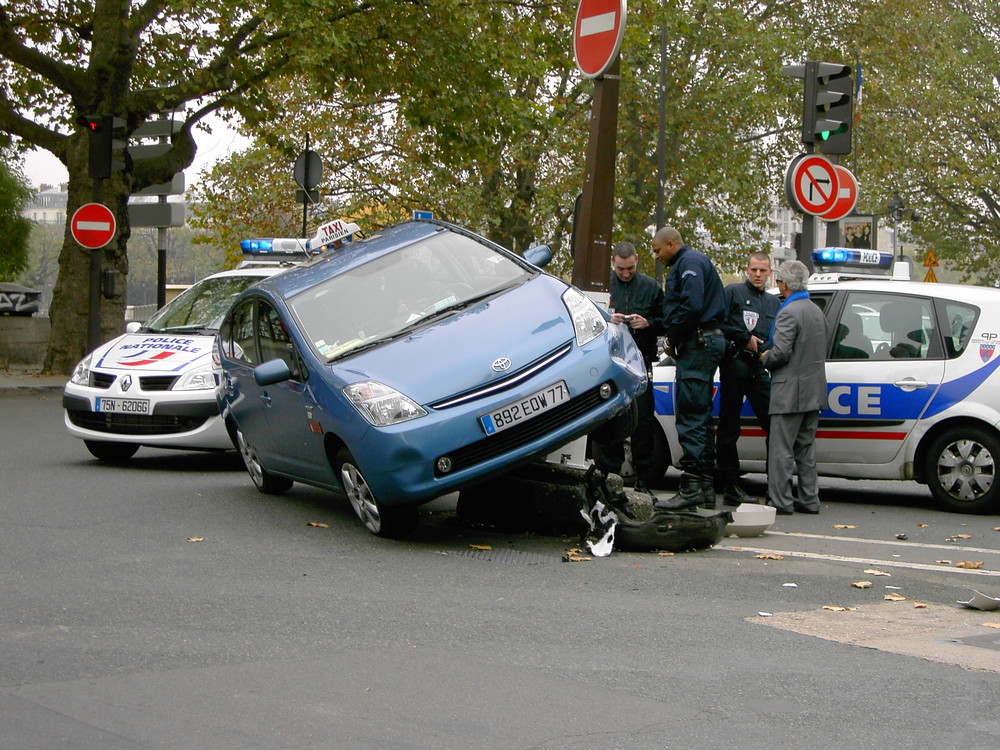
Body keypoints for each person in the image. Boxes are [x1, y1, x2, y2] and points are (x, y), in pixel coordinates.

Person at [651, 226, 727, 511]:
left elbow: (691, 306)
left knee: (691, 414)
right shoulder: (692, 262)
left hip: (697, 343)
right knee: (702, 416)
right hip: (704, 340)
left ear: (672, 244)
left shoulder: (689, 264)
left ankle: (692, 486)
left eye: (658, 250)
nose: (656, 256)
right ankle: (705, 487)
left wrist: (673, 337)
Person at [593, 241, 664, 493]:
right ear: (613, 262)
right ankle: (607, 476)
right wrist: (606, 319)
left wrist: (648, 322)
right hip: (608, 363)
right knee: (609, 418)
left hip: (640, 360)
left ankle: (643, 479)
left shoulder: (651, 288)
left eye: (630, 268)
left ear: (637, 261)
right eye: (621, 269)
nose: (625, 273)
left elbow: (665, 321)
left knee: (643, 421)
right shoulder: (600, 286)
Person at [760, 260, 828, 515]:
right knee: (806, 450)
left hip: (789, 392)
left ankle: (780, 500)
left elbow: (781, 353)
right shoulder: (815, 310)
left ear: (785, 284)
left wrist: (764, 357)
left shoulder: (789, 312)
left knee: (781, 450)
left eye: (778, 282)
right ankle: (810, 499)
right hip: (813, 391)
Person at [716, 251, 781, 506]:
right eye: (754, 269)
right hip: (735, 363)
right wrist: (744, 338)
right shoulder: (733, 293)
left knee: (774, 424)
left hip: (759, 368)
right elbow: (719, 322)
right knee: (729, 426)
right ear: (747, 269)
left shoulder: (773, 302)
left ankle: (775, 483)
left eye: (763, 271)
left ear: (769, 272)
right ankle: (730, 484)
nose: (757, 274)